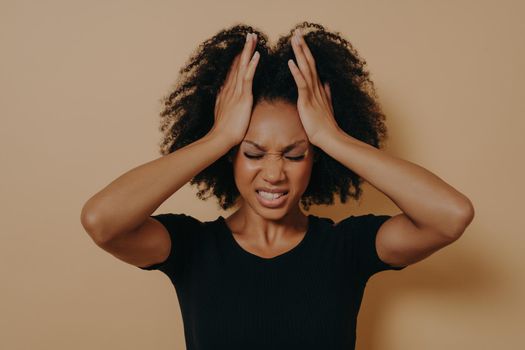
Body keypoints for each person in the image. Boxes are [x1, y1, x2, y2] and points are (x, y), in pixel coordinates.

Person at [80, 22, 475, 350]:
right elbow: (102, 220)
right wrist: (218, 137)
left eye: (294, 154)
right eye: (253, 153)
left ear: (314, 159)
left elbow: (450, 216)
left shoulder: (345, 248)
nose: (273, 174)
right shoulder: (193, 248)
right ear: (231, 157)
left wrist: (330, 135)